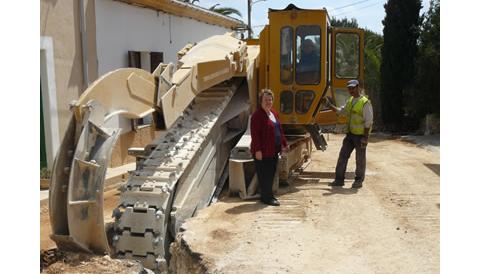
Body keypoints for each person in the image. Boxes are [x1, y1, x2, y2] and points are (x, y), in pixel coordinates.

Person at [326, 79, 373, 188]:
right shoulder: (351, 101)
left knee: (360, 159)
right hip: (350, 135)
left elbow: (369, 121)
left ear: (358, 87)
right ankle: (339, 180)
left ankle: (358, 180)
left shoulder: (365, 102)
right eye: (349, 88)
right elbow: (342, 111)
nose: (351, 90)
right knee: (343, 156)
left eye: (353, 88)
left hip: (360, 136)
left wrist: (365, 138)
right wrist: (329, 106)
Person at [250, 89, 289, 206]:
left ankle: (268, 195)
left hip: (273, 150)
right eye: (265, 100)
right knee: (264, 175)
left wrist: (284, 144)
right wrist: (257, 150)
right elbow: (255, 135)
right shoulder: (257, 116)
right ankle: (267, 198)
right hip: (263, 151)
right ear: (260, 101)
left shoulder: (274, 113)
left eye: (270, 99)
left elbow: (279, 130)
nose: (268, 102)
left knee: (271, 174)